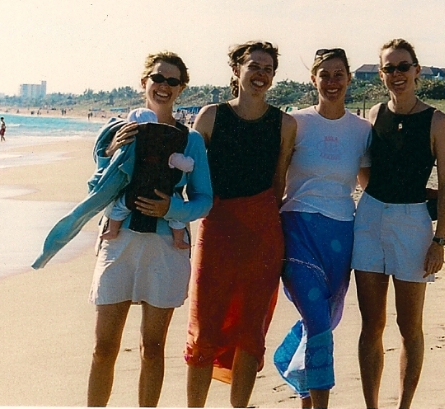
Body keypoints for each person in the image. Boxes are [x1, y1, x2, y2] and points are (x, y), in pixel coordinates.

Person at [86, 51, 213, 407]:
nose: (164, 86)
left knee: (152, 348)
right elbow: (96, 189)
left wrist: (171, 208)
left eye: (173, 81)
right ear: (144, 82)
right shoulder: (116, 129)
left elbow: (204, 200)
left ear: (182, 88)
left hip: (165, 249)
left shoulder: (190, 140)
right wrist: (112, 151)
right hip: (119, 243)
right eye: (158, 78)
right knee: (103, 347)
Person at [185, 41, 297, 408]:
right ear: (237, 70)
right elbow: (190, 178)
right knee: (204, 326)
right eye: (254, 66)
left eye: (268, 69)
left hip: (262, 233)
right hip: (216, 229)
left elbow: (279, 182)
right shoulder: (210, 116)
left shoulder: (285, 124)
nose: (261, 74)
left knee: (251, 330)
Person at [351, 39, 445, 409]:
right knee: (371, 325)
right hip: (370, 218)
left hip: (413, 224)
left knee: (409, 327)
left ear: (416, 70)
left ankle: (404, 406)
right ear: (381, 74)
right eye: (389, 68)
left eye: (403, 67)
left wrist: (439, 241)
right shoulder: (374, 114)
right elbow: (364, 170)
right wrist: (379, 196)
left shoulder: (437, 121)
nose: (397, 74)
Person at [273, 48, 372, 408]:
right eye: (324, 75)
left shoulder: (362, 130)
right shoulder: (294, 123)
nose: (332, 82)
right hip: (297, 230)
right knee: (317, 324)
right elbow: (277, 179)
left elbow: (368, 184)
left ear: (349, 79)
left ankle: (306, 396)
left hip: (341, 234)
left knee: (323, 323)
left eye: (338, 75)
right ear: (313, 79)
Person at [100, 107, 194, 250]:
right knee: (177, 215)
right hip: (163, 193)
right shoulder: (167, 150)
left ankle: (112, 231)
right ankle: (178, 240)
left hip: (135, 193)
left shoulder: (132, 150)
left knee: (119, 207)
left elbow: (116, 168)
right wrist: (190, 163)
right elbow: (187, 165)